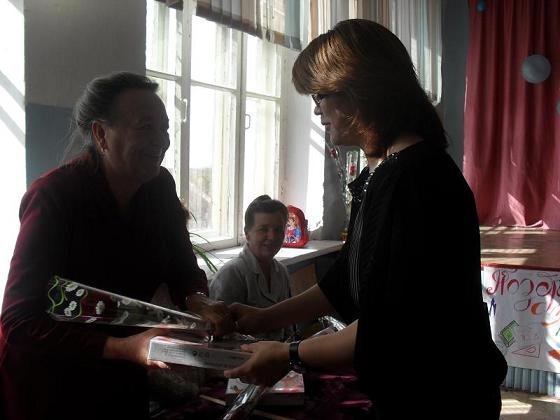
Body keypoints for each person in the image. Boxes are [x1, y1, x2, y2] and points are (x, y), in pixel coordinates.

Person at [224, 20, 508, 419]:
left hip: (441, 395)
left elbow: (388, 328)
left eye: (320, 96)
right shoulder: (383, 173)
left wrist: (287, 354)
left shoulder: (415, 180)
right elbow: (344, 282)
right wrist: (263, 318)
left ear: (357, 91)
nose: (317, 111)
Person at [0, 72, 234, 420]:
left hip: (122, 376)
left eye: (165, 128)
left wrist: (199, 301)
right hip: (52, 383)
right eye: (146, 127)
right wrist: (124, 347)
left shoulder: (159, 188)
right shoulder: (54, 197)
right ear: (100, 134)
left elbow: (183, 268)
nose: (162, 141)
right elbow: (19, 321)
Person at [209, 195, 292, 340]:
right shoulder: (231, 274)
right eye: (263, 229)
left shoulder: (282, 272)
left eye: (278, 230)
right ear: (247, 234)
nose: (272, 237)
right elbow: (220, 336)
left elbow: (287, 326)